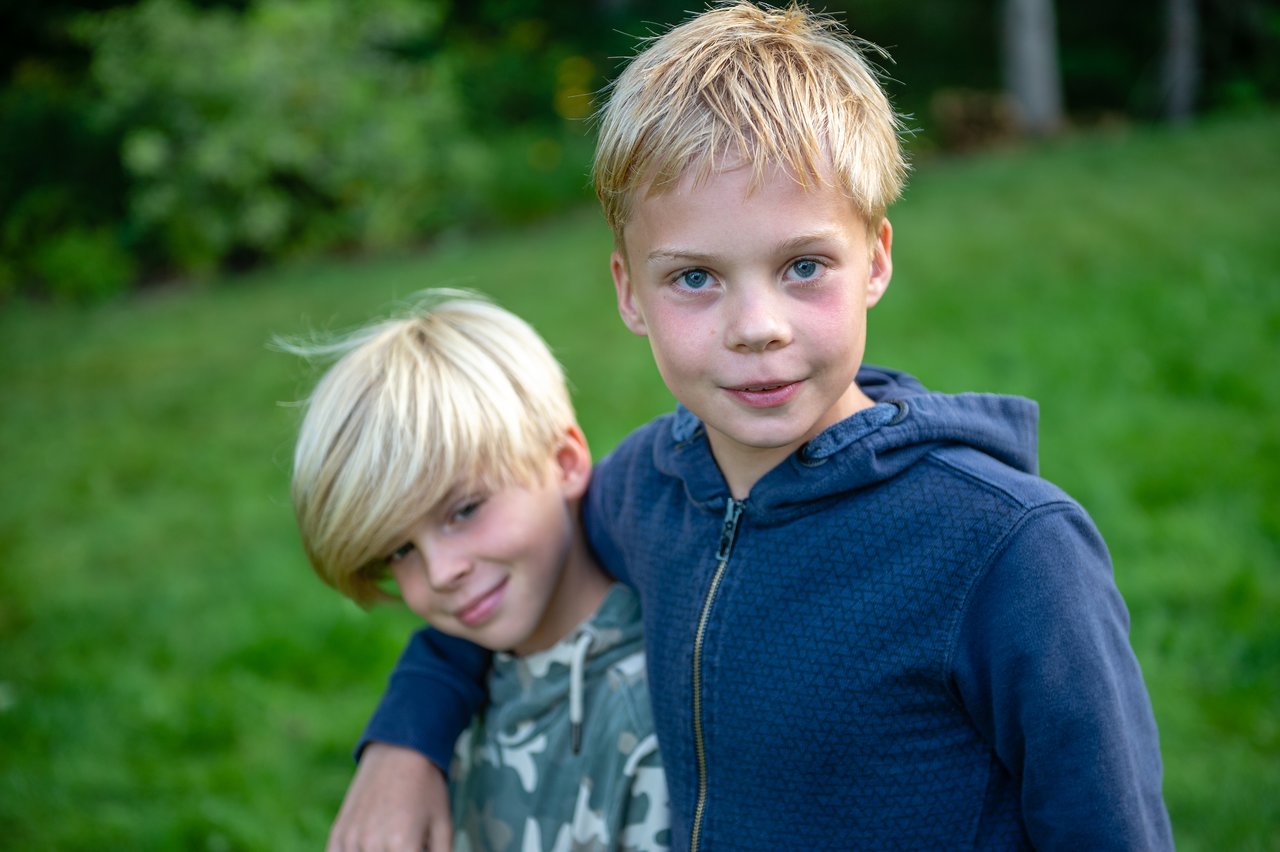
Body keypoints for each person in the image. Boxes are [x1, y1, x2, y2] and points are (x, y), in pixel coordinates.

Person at [329, 3, 1174, 849]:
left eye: (803, 266)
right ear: (629, 292)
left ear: (875, 258)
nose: (756, 326)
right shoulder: (644, 490)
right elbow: (499, 575)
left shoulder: (1010, 553)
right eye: (695, 278)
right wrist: (405, 742)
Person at [288, 293, 670, 851]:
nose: (440, 572)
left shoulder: (653, 719)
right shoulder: (463, 690)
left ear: (564, 462)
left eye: (464, 510)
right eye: (400, 550)